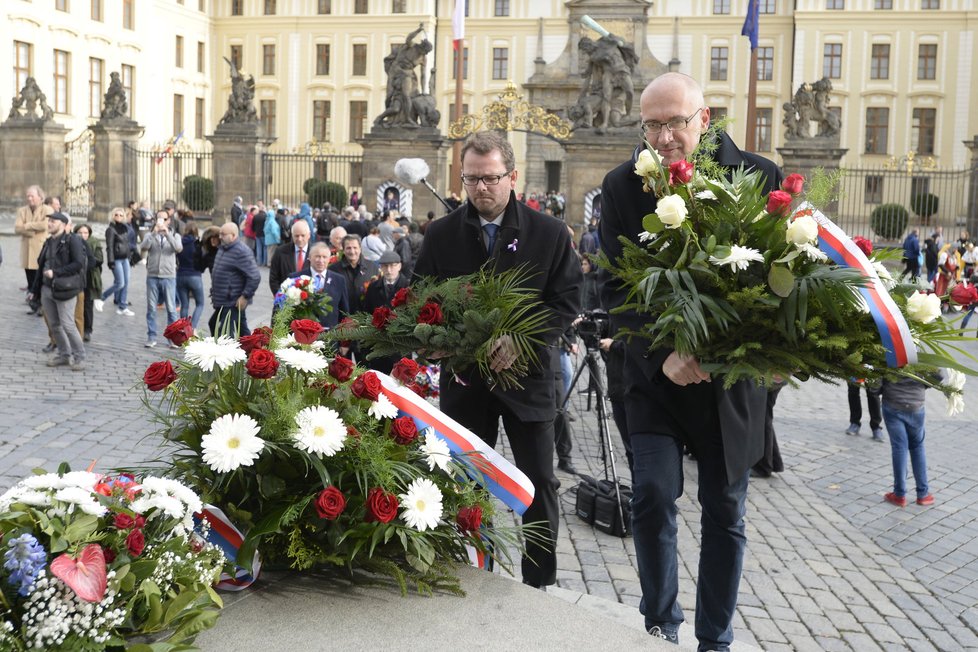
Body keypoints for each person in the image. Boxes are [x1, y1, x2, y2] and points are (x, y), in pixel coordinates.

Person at [598, 73, 783, 650]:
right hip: (655, 380)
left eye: (675, 121)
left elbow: (780, 284)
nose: (663, 136)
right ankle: (660, 623)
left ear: (705, 118)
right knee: (652, 495)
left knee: (725, 511)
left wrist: (764, 353)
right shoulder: (623, 185)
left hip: (728, 387)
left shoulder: (759, 176)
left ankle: (715, 640)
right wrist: (664, 354)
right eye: (652, 124)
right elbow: (614, 290)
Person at [413, 130, 582, 589]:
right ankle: (469, 568)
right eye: (471, 180)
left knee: (539, 484)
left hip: (527, 380)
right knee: (465, 480)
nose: (481, 188)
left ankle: (539, 582)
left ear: (512, 177)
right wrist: (434, 338)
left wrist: (522, 339)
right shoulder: (442, 234)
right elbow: (418, 298)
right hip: (466, 383)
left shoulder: (548, 233)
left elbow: (567, 301)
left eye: (489, 179)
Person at [28, 212, 87, 370]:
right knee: (54, 325)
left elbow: (78, 264)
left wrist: (56, 273)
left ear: (63, 224)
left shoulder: (72, 240)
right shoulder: (48, 242)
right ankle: (64, 355)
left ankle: (80, 356)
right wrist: (34, 290)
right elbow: (41, 267)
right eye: (49, 221)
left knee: (68, 325)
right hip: (47, 289)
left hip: (65, 289)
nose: (50, 224)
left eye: (53, 221)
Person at [880, 373, 940, 507]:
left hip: (893, 403)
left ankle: (899, 495)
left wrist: (879, 390)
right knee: (917, 447)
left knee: (899, 448)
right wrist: (922, 385)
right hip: (916, 405)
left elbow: (876, 377)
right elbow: (938, 374)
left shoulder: (889, 352)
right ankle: (923, 494)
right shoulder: (919, 353)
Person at [140, 210, 183, 348]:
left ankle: (172, 339)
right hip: (152, 275)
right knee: (151, 308)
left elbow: (178, 248)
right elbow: (143, 247)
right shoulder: (150, 234)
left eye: (163, 219)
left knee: (171, 309)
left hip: (168, 276)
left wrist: (167, 234)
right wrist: (154, 233)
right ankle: (151, 337)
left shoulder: (175, 235)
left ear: (168, 221)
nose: (161, 221)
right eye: (158, 218)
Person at [209, 222, 260, 337]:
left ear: (233, 235)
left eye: (223, 234)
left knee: (224, 332)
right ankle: (253, 351)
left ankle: (225, 353)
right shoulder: (223, 248)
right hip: (223, 300)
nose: (220, 237)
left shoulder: (242, 251)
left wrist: (245, 296)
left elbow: (255, 276)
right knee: (240, 330)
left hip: (232, 301)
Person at [362, 250, 410, 373]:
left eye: (393, 266)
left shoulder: (408, 286)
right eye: (385, 266)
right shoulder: (373, 287)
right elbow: (367, 313)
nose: (389, 270)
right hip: (379, 344)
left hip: (401, 344)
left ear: (399, 266)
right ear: (380, 267)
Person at [294, 242, 349, 331]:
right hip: (303, 335)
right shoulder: (295, 278)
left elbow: (344, 312)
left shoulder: (339, 280)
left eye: (324, 257)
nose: (321, 260)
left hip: (330, 337)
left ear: (329, 259)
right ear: (310, 257)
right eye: (317, 256)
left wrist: (344, 340)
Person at [15, 185, 53, 310]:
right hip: (26, 249)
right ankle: (34, 303)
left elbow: (46, 224)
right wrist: (31, 231)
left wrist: (28, 225)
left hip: (40, 248)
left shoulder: (47, 209)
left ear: (40, 197)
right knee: (30, 277)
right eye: (28, 196)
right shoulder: (22, 211)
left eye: (32, 196)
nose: (29, 198)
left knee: (40, 277)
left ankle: (42, 304)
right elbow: (17, 228)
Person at [98, 207, 135, 316]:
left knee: (126, 283)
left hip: (125, 258)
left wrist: (130, 256)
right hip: (117, 259)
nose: (118, 217)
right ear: (112, 216)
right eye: (116, 215)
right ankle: (102, 298)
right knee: (120, 283)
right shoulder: (111, 229)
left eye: (121, 215)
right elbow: (109, 246)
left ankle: (122, 306)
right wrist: (111, 261)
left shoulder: (125, 228)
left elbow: (127, 243)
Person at [329, 234, 378, 316]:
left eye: (355, 248)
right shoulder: (334, 270)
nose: (352, 251)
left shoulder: (372, 267)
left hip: (366, 319)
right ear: (343, 250)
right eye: (348, 248)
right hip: (342, 318)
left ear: (360, 249)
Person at [73, 223, 102, 343]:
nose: (83, 235)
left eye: (85, 232)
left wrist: (86, 263)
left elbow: (99, 260)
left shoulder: (94, 242)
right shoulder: (73, 242)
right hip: (76, 278)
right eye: (80, 232)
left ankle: (87, 330)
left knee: (87, 305)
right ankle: (76, 328)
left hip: (90, 277)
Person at [176, 222, 206, 332]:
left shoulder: (180, 242)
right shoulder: (197, 244)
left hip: (181, 275)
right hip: (194, 275)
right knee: (200, 303)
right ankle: (192, 328)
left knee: (184, 305)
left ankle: (183, 328)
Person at [270, 219, 313, 294]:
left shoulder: (315, 253)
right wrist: (280, 296)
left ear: (309, 235)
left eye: (303, 235)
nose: (299, 239)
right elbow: (273, 278)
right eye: (296, 236)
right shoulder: (280, 252)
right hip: (285, 300)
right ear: (292, 235)